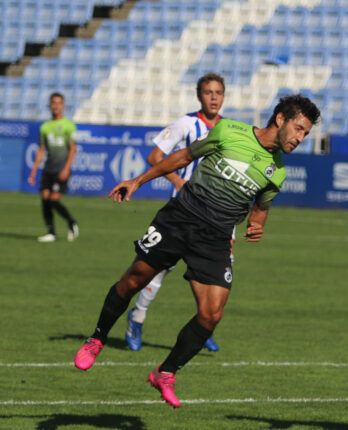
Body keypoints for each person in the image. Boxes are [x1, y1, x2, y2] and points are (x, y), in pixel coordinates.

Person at [73, 95, 321, 408]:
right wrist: (137, 181)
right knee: (134, 280)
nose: (301, 138)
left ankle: (165, 372)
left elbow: (260, 209)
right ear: (281, 118)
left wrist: (257, 225)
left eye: (306, 134)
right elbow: (183, 157)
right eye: (299, 129)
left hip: (215, 238)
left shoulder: (277, 172)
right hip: (181, 218)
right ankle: (97, 338)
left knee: (211, 314)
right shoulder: (230, 131)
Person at [124, 72, 225, 353]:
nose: (214, 97)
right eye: (208, 92)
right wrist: (178, 181)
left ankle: (202, 328)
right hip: (181, 214)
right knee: (156, 273)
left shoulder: (228, 129)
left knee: (207, 278)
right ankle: (137, 317)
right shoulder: (186, 124)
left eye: (218, 92)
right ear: (199, 96)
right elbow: (155, 156)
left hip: (214, 218)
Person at [28, 92, 79, 242]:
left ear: (63, 105)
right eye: (53, 103)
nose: (56, 106)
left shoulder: (68, 125)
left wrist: (66, 168)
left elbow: (72, 149)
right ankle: (51, 232)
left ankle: (71, 222)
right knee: (45, 199)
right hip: (48, 169)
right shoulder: (45, 127)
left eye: (58, 103)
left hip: (61, 169)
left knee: (54, 200)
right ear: (50, 105)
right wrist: (33, 171)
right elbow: (41, 149)